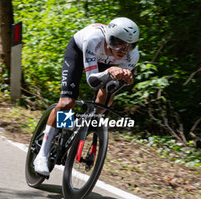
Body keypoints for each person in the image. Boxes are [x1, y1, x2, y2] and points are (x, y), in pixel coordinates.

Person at [34, 17, 140, 176]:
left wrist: (123, 81)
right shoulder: (94, 39)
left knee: (107, 98)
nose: (123, 50)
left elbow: (110, 88)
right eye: (119, 43)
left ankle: (84, 123)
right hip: (78, 52)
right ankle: (42, 154)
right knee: (67, 102)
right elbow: (92, 80)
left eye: (129, 45)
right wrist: (110, 72)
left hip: (106, 63)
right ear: (110, 39)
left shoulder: (132, 56)